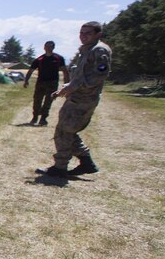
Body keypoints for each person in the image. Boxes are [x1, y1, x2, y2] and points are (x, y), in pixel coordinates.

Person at [37, 21, 111, 179]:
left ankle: (62, 166)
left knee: (66, 131)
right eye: (81, 33)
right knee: (65, 130)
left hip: (84, 99)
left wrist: (74, 87)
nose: (83, 36)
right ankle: (85, 162)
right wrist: (67, 87)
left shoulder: (99, 50)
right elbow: (80, 75)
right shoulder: (86, 50)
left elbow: (100, 75)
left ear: (98, 34)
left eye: (87, 33)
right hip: (76, 97)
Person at [23, 40, 68, 125]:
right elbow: (30, 71)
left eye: (50, 46)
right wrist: (26, 81)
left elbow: (65, 71)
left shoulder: (58, 58)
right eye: (46, 46)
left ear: (53, 47)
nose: (47, 48)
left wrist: (66, 84)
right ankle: (35, 117)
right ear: (44, 47)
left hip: (52, 83)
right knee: (37, 100)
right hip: (40, 83)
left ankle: (43, 119)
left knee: (48, 101)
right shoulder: (39, 59)